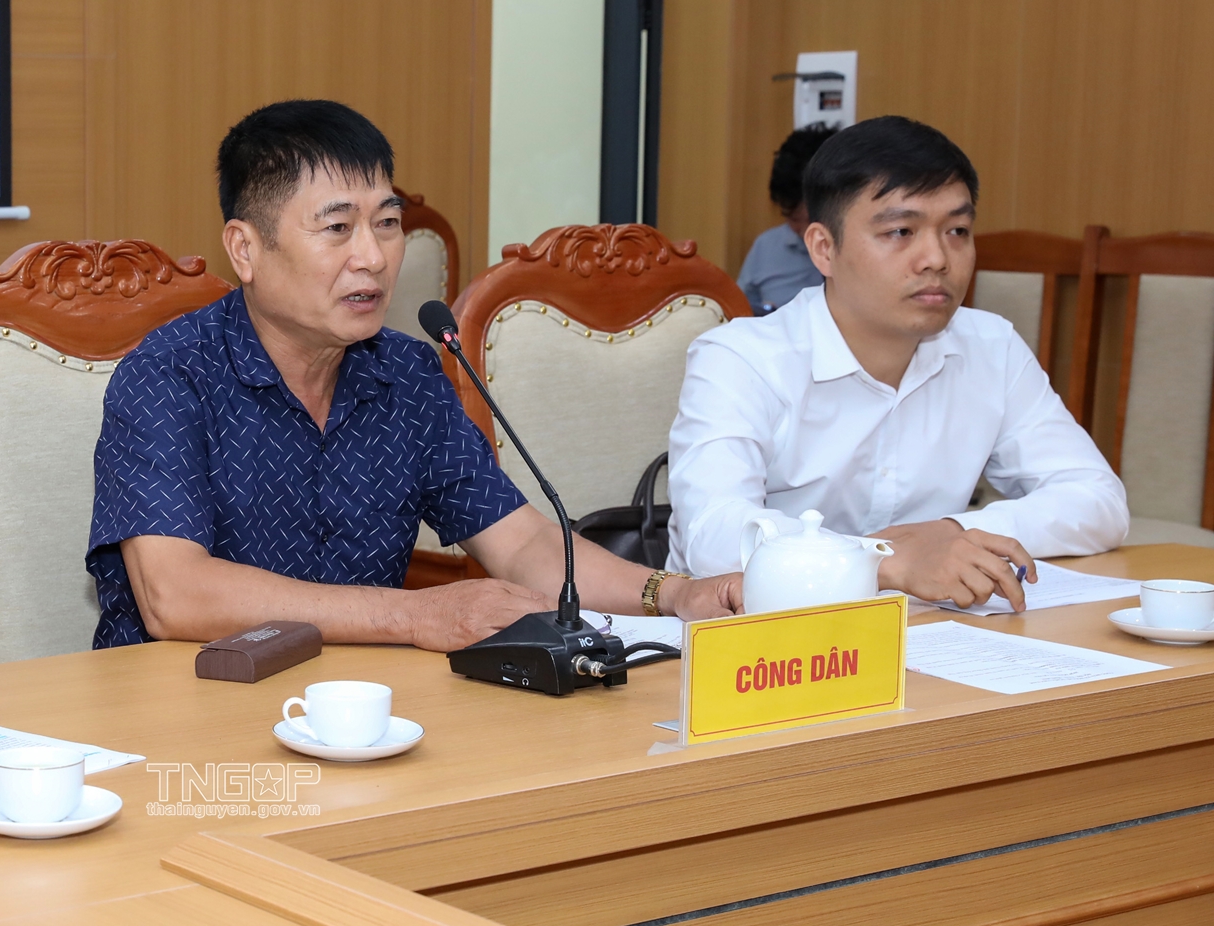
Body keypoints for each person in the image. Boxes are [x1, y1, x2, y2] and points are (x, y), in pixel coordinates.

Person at [87, 100, 743, 651]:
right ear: (245, 249)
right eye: (337, 228)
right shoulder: (169, 376)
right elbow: (176, 595)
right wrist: (414, 615)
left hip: (363, 712)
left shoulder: (405, 374)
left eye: (388, 224)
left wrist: (674, 593)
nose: (372, 257)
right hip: (184, 710)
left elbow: (524, 545)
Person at [667, 116, 1128, 611]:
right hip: (765, 632)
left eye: (958, 230)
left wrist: (952, 532)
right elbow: (713, 534)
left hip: (935, 630)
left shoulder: (992, 346)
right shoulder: (741, 358)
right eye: (901, 231)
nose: (937, 258)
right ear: (824, 249)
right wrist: (885, 560)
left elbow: (1098, 500)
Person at [735, 122, 837, 313]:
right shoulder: (766, 247)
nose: (805, 233)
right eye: (793, 220)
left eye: (811, 220)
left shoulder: (867, 250)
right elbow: (739, 314)